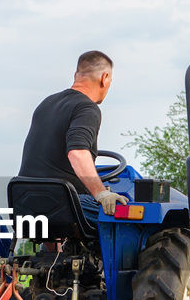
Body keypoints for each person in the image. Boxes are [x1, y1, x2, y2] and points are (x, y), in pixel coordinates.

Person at [18, 50, 128, 220]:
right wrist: (101, 193)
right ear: (105, 78)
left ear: (76, 74)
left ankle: (58, 248)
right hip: (60, 202)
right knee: (125, 212)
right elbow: (77, 152)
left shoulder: (47, 103)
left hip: (24, 201)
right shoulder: (87, 108)